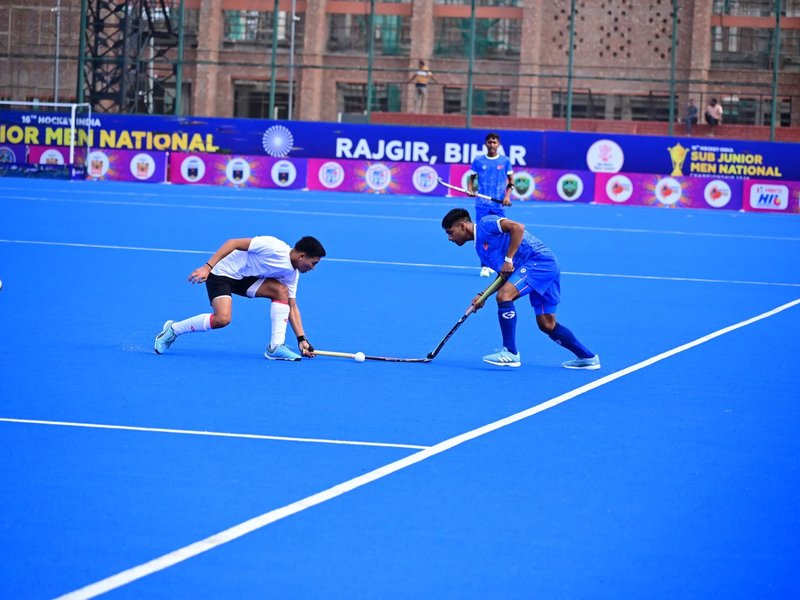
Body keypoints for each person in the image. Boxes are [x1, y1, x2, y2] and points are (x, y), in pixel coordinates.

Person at [441, 208, 599, 370]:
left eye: (450, 232)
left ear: (463, 226)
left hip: (539, 261)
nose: (449, 238)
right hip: (539, 268)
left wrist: (508, 259)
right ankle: (587, 357)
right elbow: (504, 275)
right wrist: (483, 295)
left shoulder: (485, 224)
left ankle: (510, 353)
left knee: (504, 296)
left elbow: (518, 227)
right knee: (547, 324)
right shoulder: (481, 251)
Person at [154, 235, 326, 361]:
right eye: (313, 263)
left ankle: (275, 347)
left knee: (282, 291)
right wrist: (207, 267)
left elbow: (292, 306)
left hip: (245, 279)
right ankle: (173, 329)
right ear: (301, 256)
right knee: (222, 319)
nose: (313, 268)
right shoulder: (273, 247)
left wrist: (301, 339)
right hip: (222, 273)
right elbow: (233, 243)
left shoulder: (292, 275)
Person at [467, 132, 514, 277]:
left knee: (502, 235)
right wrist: (471, 189)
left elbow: (511, 181)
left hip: (498, 205)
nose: (492, 145)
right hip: (482, 204)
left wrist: (507, 196)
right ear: (486, 144)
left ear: (498, 144)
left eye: (494, 142)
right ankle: (484, 265)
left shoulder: (505, 161)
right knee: (482, 234)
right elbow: (471, 177)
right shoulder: (479, 160)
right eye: (489, 142)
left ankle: (498, 262)